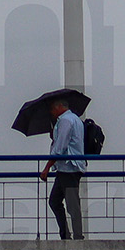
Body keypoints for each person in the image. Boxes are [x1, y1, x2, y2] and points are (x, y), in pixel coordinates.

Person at [39, 96, 87, 240]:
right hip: (66, 169)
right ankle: (66, 234)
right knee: (55, 201)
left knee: (72, 205)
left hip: (69, 169)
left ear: (60, 107)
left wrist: (47, 167)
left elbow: (60, 148)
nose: (52, 112)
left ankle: (76, 236)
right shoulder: (75, 119)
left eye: (53, 109)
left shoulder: (66, 121)